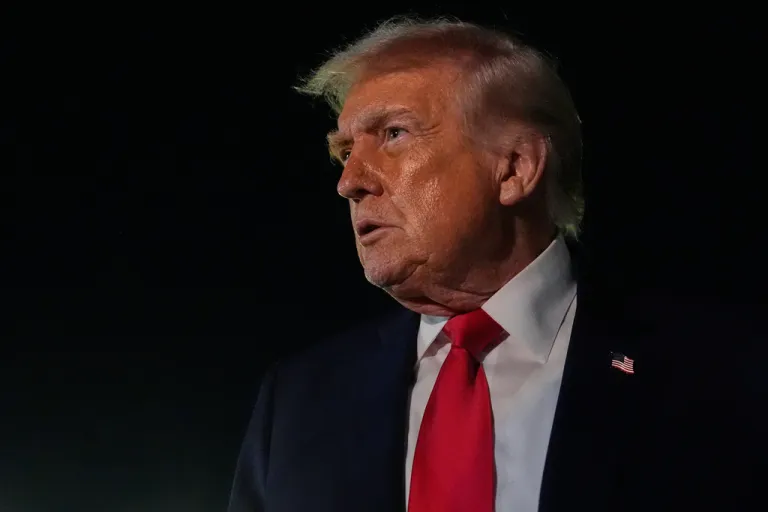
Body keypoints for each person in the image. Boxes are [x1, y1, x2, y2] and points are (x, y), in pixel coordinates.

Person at [228, 17, 763, 512]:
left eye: (393, 134)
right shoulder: (298, 403)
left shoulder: (723, 373)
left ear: (515, 167)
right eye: (345, 151)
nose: (350, 181)